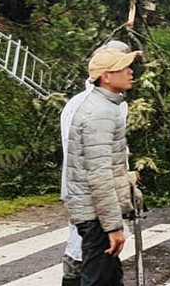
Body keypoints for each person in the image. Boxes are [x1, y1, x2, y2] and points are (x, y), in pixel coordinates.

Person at [65, 47, 141, 286]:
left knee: (110, 277)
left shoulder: (105, 106)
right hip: (95, 213)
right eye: (124, 68)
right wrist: (112, 227)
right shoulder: (100, 113)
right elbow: (99, 176)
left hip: (96, 211)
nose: (130, 72)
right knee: (98, 279)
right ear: (106, 76)